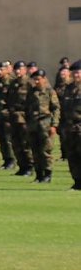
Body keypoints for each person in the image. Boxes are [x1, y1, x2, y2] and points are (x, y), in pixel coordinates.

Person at [25, 69, 61, 183]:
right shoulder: (31, 92)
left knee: (45, 151)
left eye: (38, 79)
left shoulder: (50, 92)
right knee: (35, 151)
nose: (36, 82)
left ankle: (47, 174)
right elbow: (27, 109)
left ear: (44, 79)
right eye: (34, 79)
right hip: (33, 125)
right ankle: (39, 174)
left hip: (45, 124)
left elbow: (56, 109)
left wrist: (54, 125)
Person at [8, 61, 34, 177]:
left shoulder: (30, 83)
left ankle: (29, 166)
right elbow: (9, 99)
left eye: (20, 69)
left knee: (25, 144)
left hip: (25, 119)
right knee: (16, 143)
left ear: (25, 70)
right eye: (16, 69)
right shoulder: (13, 84)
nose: (17, 71)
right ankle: (22, 166)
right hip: (14, 118)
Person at [60, 60, 81, 190]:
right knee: (72, 156)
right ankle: (78, 182)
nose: (76, 75)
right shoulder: (68, 88)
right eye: (74, 72)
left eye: (78, 72)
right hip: (69, 128)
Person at [0, 61, 17, 170]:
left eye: (1, 69)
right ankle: (6, 160)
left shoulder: (12, 82)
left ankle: (11, 160)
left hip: (8, 115)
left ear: (7, 70)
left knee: (8, 139)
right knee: (1, 138)